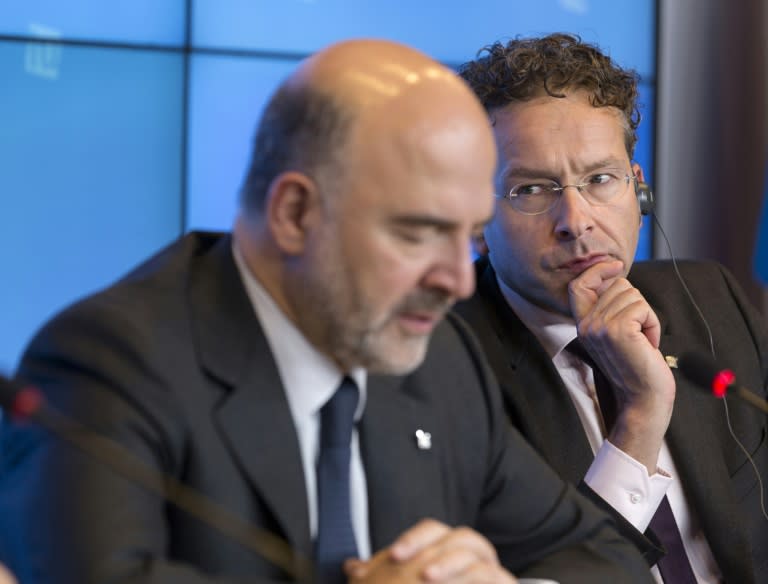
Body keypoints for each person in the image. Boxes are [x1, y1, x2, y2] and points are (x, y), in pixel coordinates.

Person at [0, 39, 651, 584]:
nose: (456, 280)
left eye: (470, 236)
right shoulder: (110, 362)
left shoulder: (438, 358)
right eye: (418, 233)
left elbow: (606, 557)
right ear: (294, 214)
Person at [455, 33, 768, 584]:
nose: (576, 220)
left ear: (639, 195)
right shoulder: (442, 368)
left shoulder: (711, 300)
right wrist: (641, 420)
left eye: (600, 179)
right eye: (531, 189)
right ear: (476, 222)